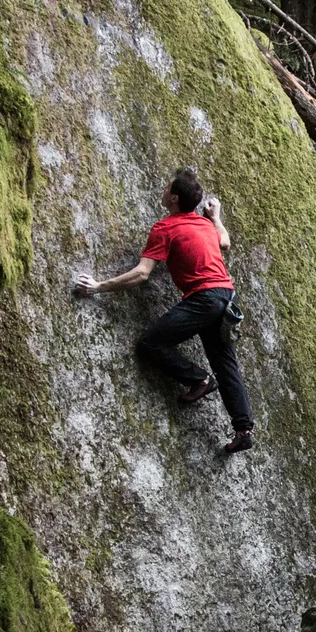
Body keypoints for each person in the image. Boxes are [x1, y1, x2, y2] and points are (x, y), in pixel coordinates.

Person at [74, 167, 256, 455]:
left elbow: (142, 274)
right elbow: (226, 241)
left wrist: (98, 287)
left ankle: (198, 379)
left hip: (204, 299)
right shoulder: (205, 224)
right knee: (225, 363)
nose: (162, 190)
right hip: (225, 297)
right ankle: (243, 429)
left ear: (173, 199)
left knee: (150, 343)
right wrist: (216, 217)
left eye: (165, 188)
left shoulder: (165, 228)